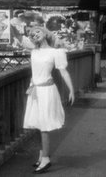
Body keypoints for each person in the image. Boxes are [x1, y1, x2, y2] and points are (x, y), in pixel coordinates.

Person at [23, 26, 75, 174]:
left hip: (47, 91)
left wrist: (71, 90)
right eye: (32, 34)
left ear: (45, 33)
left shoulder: (55, 52)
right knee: (38, 125)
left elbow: (63, 72)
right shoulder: (34, 51)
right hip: (35, 90)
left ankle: (46, 159)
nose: (34, 34)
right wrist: (15, 24)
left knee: (44, 125)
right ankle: (41, 155)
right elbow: (18, 36)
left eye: (37, 31)